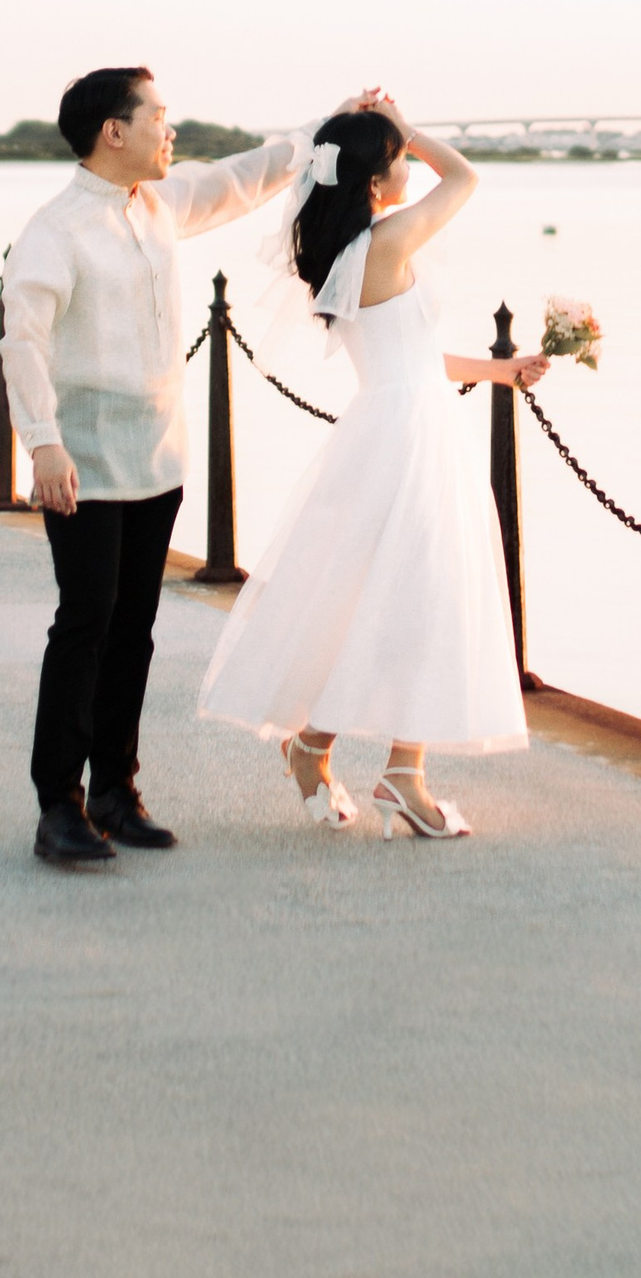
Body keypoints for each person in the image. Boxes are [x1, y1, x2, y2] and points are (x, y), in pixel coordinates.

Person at [197, 91, 543, 839]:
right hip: (411, 438)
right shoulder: (384, 242)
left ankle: (323, 745)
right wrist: (411, 127)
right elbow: (466, 181)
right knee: (423, 598)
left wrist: (501, 371)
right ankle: (398, 774)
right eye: (395, 160)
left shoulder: (342, 254)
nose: (407, 167)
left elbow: (412, 355)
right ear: (374, 182)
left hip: (391, 425)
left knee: (388, 596)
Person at [1, 67, 304, 869]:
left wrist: (324, 132)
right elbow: (22, 340)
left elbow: (239, 180)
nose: (172, 131)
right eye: (159, 117)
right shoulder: (55, 230)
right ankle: (57, 805)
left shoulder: (160, 206)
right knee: (85, 624)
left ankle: (115, 790)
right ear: (114, 130)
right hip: (85, 461)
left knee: (133, 631)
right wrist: (43, 443)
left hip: (157, 456)